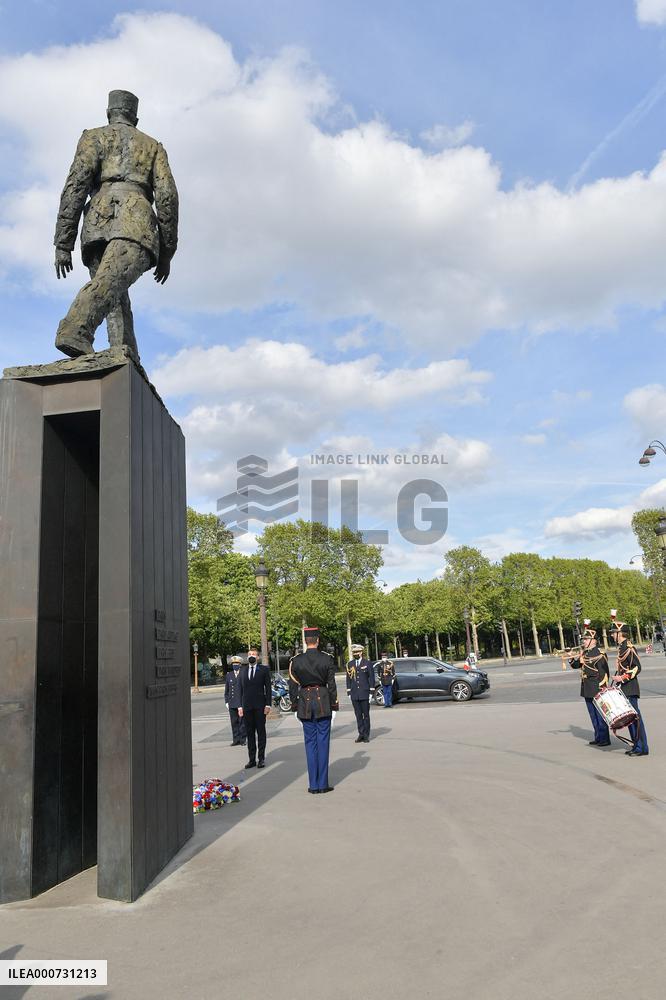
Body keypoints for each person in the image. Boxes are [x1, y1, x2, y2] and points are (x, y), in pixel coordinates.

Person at [53, 89, 179, 360]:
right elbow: (167, 196)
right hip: (136, 222)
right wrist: (167, 251)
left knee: (113, 292)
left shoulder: (93, 138)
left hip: (97, 223)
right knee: (110, 285)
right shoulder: (152, 146)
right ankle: (75, 330)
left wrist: (64, 242)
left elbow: (75, 187)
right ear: (135, 118)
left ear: (109, 113)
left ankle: (125, 354)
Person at [288, 627, 339, 793]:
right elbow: (331, 685)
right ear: (317, 640)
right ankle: (323, 784)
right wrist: (334, 705)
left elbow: (292, 686)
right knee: (323, 743)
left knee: (310, 744)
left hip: (305, 703)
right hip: (323, 702)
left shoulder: (296, 661)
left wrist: (295, 705)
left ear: (305, 641)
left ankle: (313, 785)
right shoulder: (327, 659)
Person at [610, 621, 649, 757]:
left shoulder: (628, 647)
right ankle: (636, 745)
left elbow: (637, 667)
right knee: (630, 720)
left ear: (620, 633)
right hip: (625, 688)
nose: (612, 635)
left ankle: (642, 747)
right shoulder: (622, 647)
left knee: (635, 719)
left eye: (614, 633)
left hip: (630, 688)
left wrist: (622, 678)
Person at [569, 628, 610, 747]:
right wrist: (571, 657)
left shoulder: (599, 654)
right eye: (584, 639)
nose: (584, 641)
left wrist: (602, 688)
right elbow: (577, 665)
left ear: (593, 640)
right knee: (593, 715)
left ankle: (604, 739)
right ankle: (598, 737)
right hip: (587, 688)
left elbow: (604, 673)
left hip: (596, 688)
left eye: (586, 639)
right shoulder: (585, 653)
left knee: (600, 715)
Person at [239, 646, 272, 769]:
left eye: (253, 654)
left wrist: (268, 704)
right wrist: (239, 706)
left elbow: (268, 688)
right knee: (250, 733)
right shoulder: (243, 670)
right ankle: (251, 759)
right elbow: (240, 689)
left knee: (261, 732)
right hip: (247, 707)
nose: (251, 656)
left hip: (260, 706)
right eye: (249, 654)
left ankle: (261, 759)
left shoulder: (264, 670)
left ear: (258, 657)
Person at [346, 642, 375, 743]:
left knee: (365, 715)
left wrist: (371, 692)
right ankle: (361, 734)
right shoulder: (350, 664)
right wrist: (349, 692)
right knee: (358, 715)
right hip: (355, 694)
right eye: (354, 652)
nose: (355, 654)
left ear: (361, 652)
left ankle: (366, 735)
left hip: (364, 693)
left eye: (357, 652)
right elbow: (348, 679)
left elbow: (371, 678)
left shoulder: (367, 663)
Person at [224, 655, 246, 747]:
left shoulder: (244, 674)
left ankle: (242, 740)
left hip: (241, 702)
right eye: (233, 663)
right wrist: (226, 701)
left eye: (236, 663)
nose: (235, 665)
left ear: (240, 664)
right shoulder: (229, 675)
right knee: (234, 722)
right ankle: (236, 740)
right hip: (232, 702)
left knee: (242, 722)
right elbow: (227, 690)